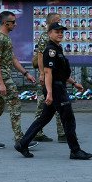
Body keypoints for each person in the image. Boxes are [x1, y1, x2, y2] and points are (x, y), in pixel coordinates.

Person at [15, 23, 92, 160]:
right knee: (68, 119)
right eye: (57, 31)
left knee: (44, 118)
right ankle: (75, 150)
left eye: (62, 32)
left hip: (58, 86)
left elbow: (60, 73)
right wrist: (50, 93)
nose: (60, 34)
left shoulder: (58, 48)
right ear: (49, 33)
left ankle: (23, 143)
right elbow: (48, 72)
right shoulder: (50, 50)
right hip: (55, 89)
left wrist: (74, 83)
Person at [0, 10, 37, 149]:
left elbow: (13, 59)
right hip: (3, 77)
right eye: (13, 22)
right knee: (15, 105)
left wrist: (26, 74)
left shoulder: (6, 38)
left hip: (4, 77)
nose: (16, 24)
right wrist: (1, 83)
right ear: (6, 23)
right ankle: (20, 140)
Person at [30, 12, 66, 142]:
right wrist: (42, 74)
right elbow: (40, 56)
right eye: (58, 20)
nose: (60, 23)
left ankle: (57, 132)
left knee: (50, 105)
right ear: (52, 22)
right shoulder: (46, 38)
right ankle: (57, 133)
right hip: (48, 76)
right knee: (46, 104)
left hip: (54, 75)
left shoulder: (52, 37)